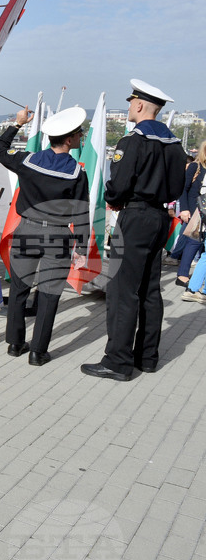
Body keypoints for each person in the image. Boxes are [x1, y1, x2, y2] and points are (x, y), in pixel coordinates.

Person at [82, 79, 187, 380]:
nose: (128, 108)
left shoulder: (133, 141)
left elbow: (118, 186)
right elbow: (177, 188)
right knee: (150, 289)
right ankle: (147, 357)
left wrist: (114, 199)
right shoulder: (175, 146)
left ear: (139, 105)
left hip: (136, 217)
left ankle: (117, 361)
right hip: (160, 218)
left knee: (122, 290)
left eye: (130, 103)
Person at [0, 105, 90, 366]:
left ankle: (15, 344)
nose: (81, 137)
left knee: (19, 288)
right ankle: (37, 352)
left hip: (27, 230)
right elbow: (81, 213)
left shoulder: (28, 161)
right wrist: (82, 247)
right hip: (58, 236)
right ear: (68, 140)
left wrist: (17, 123)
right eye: (79, 134)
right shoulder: (77, 173)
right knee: (49, 293)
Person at [174, 141, 206, 286]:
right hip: (196, 210)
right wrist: (184, 209)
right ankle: (182, 276)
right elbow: (184, 189)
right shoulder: (195, 166)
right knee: (193, 242)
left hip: (203, 211)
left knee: (197, 243)